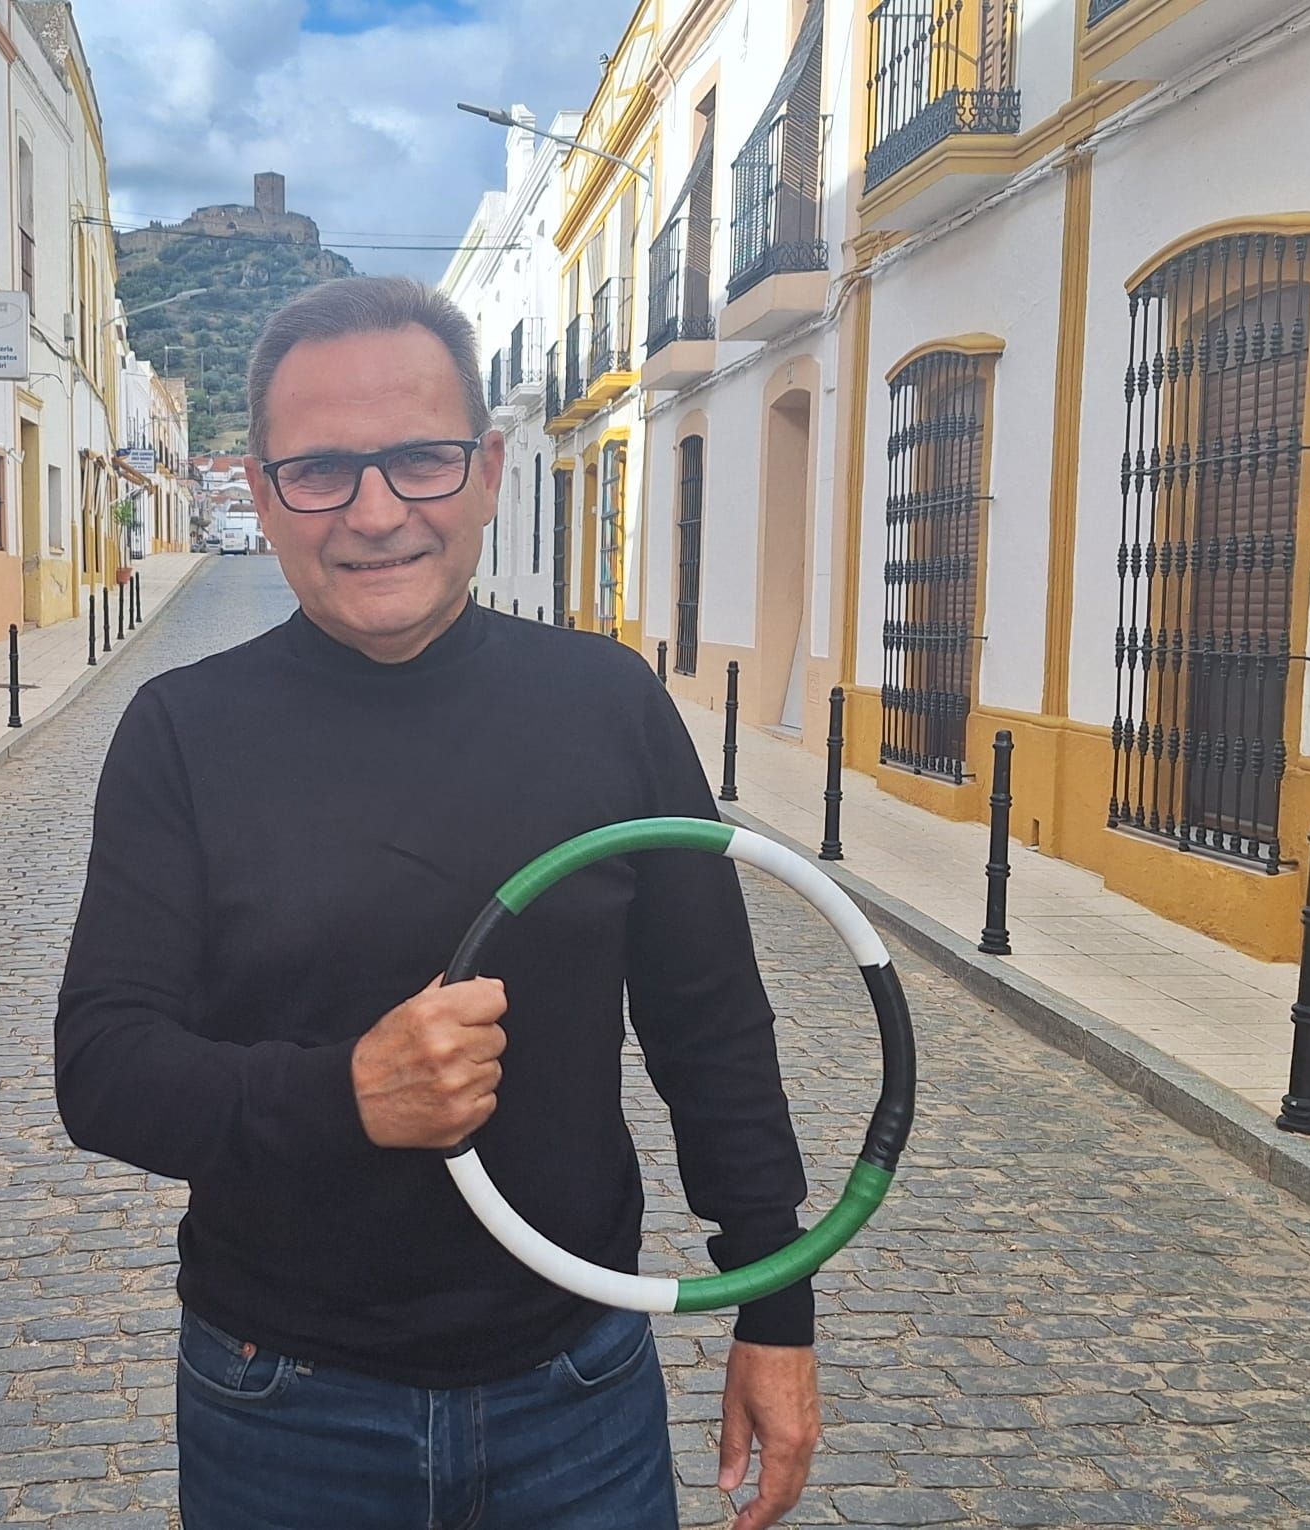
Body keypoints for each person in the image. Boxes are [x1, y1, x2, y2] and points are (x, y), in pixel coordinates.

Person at [56, 276, 819, 1528]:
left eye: (419, 459)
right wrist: (348, 1093)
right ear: (259, 488)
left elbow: (712, 1027)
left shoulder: (607, 706)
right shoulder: (183, 734)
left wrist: (775, 1308)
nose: (374, 513)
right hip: (282, 1403)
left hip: (577, 1389)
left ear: (487, 471)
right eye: (321, 472)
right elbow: (103, 1070)